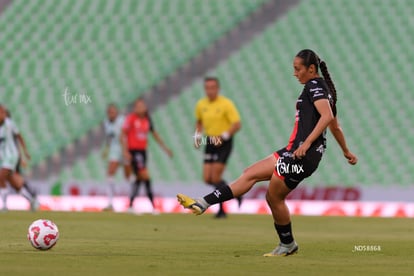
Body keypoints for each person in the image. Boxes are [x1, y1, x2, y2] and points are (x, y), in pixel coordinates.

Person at [177, 49, 358, 256]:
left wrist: (307, 143)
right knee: (250, 173)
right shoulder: (323, 90)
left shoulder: (314, 86)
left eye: (297, 69)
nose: (295, 73)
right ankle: (203, 202)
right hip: (293, 151)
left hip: (301, 155)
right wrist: (346, 151)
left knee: (274, 198)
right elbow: (335, 126)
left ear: (311, 69)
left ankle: (287, 244)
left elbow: (326, 117)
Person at [193, 77, 242, 218]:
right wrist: (197, 137)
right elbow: (199, 122)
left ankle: (222, 210)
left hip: (223, 143)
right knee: (207, 178)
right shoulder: (201, 104)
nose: (210, 90)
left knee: (215, 177)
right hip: (210, 141)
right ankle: (235, 192)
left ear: (218, 88)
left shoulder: (226, 104)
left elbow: (236, 124)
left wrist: (224, 136)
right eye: (207, 88)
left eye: (212, 87)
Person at [121, 98, 173, 214]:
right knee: (145, 176)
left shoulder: (147, 120)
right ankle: (153, 206)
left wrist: (165, 149)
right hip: (134, 152)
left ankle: (130, 205)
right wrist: (125, 151)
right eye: (137, 106)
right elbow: (122, 134)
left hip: (143, 152)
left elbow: (155, 135)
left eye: (141, 106)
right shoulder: (131, 119)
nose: (140, 108)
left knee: (140, 179)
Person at [0, 105, 38, 211]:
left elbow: (19, 137)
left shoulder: (9, 124)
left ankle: (4, 206)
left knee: (1, 177)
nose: (2, 114)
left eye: (2, 112)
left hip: (11, 156)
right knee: (15, 184)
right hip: (3, 158)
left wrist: (24, 152)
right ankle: (31, 200)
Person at [102, 103, 131, 211]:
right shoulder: (106, 123)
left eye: (113, 112)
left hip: (125, 148)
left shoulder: (122, 120)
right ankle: (110, 203)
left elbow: (123, 136)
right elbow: (110, 137)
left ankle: (131, 202)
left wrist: (125, 151)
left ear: (117, 112)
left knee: (128, 176)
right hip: (114, 149)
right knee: (110, 174)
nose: (111, 114)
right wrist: (106, 149)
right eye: (109, 112)